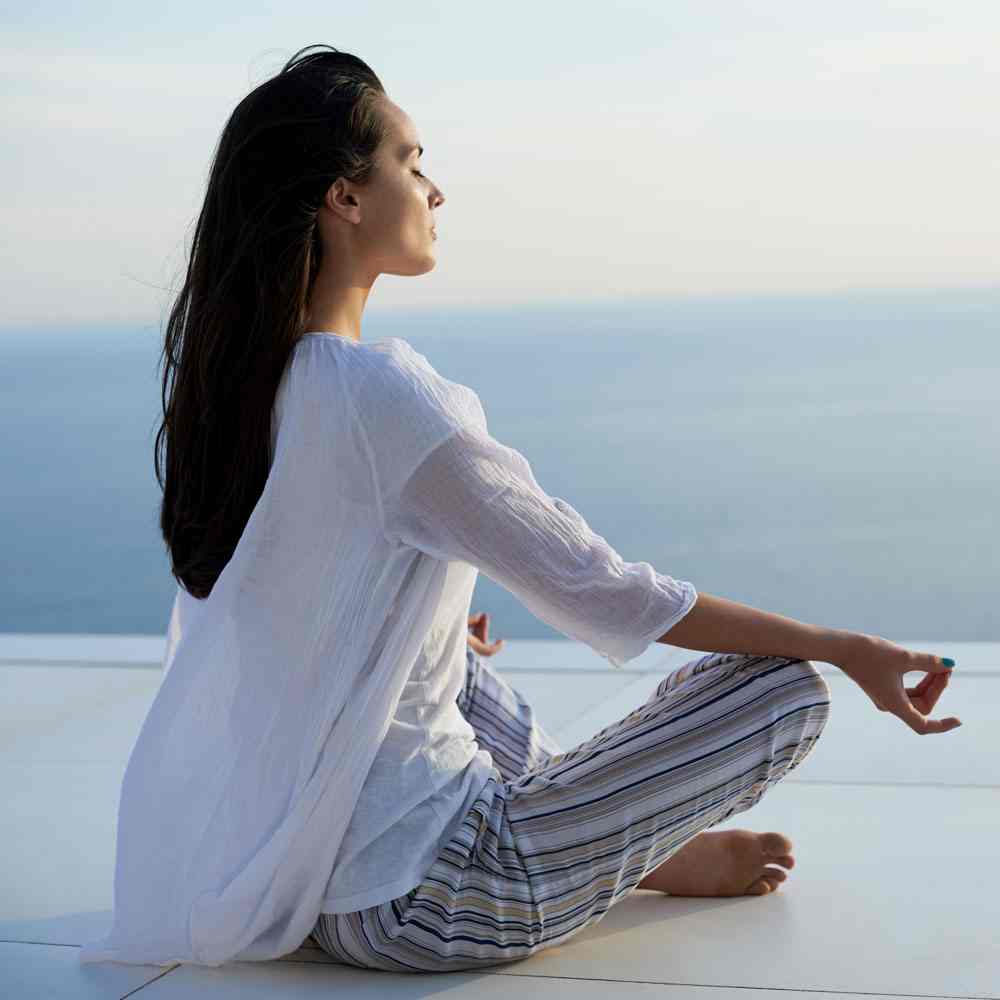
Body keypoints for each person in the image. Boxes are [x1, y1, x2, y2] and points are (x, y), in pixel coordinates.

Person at [79, 44, 962, 973]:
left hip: (300, 887)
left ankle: (638, 852)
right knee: (784, 687)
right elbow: (611, 594)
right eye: (411, 163)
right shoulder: (387, 399)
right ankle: (646, 853)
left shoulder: (246, 391)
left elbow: (280, 621)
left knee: (449, 656)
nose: (435, 190)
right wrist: (844, 646)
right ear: (344, 198)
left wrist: (427, 624)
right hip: (443, 899)